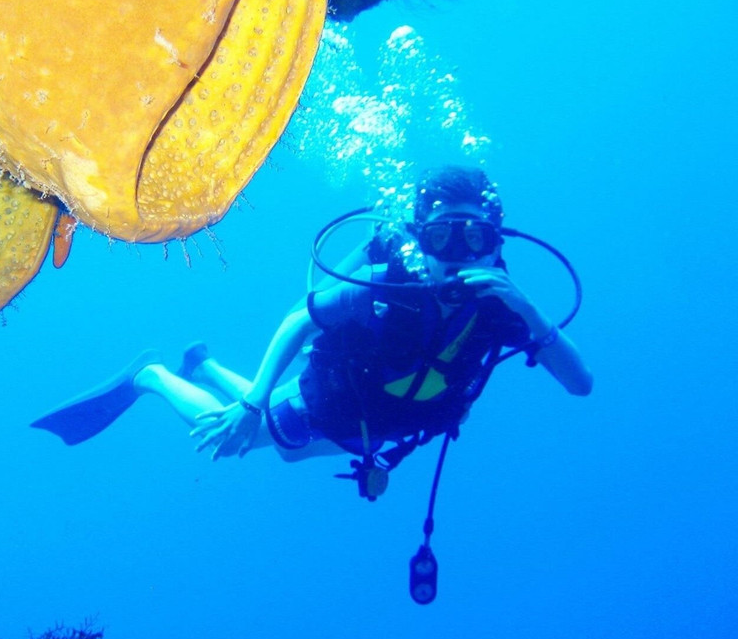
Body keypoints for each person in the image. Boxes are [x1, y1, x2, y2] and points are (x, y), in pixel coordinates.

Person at [32, 166, 592, 470]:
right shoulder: (393, 289)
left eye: (475, 237)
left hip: (382, 426)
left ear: (496, 246)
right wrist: (250, 410)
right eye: (443, 235)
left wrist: (527, 307)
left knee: (291, 456)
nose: (460, 252)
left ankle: (205, 367)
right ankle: (151, 377)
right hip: (338, 401)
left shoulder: (505, 315)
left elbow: (581, 385)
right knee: (239, 440)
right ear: (423, 240)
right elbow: (298, 320)